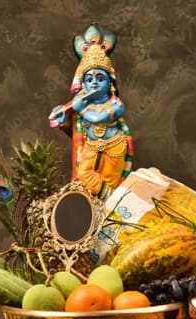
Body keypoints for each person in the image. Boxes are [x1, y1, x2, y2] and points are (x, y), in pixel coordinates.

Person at [49, 24, 133, 199]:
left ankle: (109, 205)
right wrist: (63, 118)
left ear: (110, 83)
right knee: (83, 174)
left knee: (111, 181)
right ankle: (103, 201)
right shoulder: (80, 103)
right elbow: (75, 128)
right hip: (90, 147)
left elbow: (97, 118)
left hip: (115, 147)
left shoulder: (116, 104)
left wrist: (81, 108)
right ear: (83, 84)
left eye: (100, 78)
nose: (94, 82)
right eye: (89, 79)